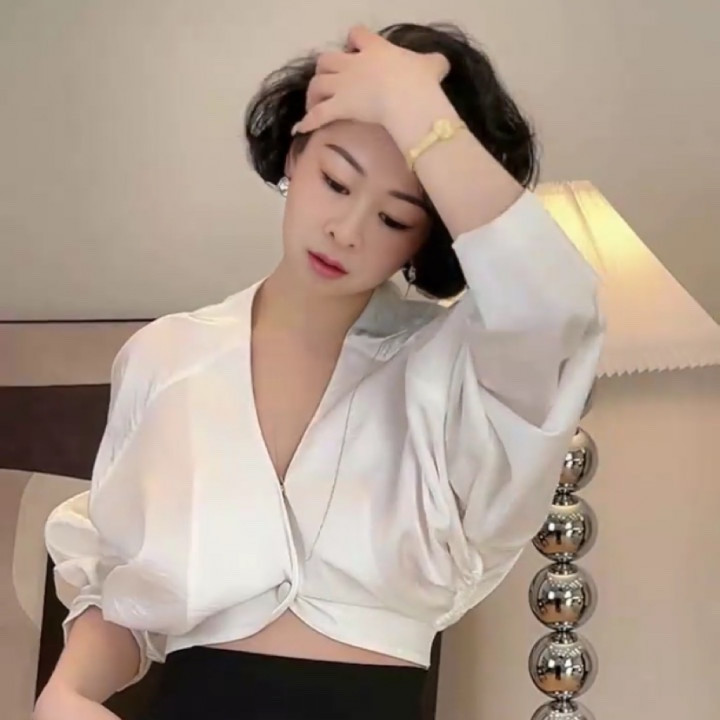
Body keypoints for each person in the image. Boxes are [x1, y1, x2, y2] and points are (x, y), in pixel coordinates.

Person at [33, 20, 604, 720]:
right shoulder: (167, 357)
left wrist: (416, 107)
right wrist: (66, 693)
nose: (347, 231)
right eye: (336, 182)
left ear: (427, 239)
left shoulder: (456, 374)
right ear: (295, 152)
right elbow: (124, 587)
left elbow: (554, 309)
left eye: (395, 219)